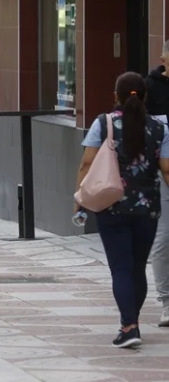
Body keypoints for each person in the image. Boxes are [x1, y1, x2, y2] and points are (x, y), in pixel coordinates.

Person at [77, 71, 169, 348]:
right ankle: (133, 321)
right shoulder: (160, 128)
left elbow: (86, 163)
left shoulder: (103, 123)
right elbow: (166, 169)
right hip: (148, 208)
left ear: (115, 95)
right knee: (138, 266)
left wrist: (80, 198)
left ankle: (129, 326)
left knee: (121, 268)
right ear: (145, 96)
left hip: (111, 206)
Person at [145, 41, 169, 328]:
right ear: (163, 58)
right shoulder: (149, 86)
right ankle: (166, 301)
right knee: (164, 237)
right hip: (163, 173)